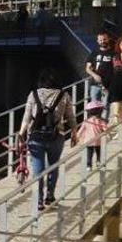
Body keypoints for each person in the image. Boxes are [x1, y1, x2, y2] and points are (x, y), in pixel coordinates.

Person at [17, 69, 76, 211]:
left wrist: (21, 135)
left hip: (35, 136)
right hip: (57, 136)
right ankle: (50, 196)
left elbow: (26, 117)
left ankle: (38, 202)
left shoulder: (33, 94)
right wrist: (74, 131)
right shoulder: (64, 95)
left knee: (38, 170)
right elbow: (70, 116)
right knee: (53, 166)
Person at [73, 100, 108, 169]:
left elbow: (81, 131)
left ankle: (89, 165)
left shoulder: (86, 121)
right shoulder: (101, 121)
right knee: (99, 152)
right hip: (98, 141)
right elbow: (106, 129)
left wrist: (77, 138)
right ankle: (99, 162)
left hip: (88, 141)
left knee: (89, 153)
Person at [84, 31, 115, 108]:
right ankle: (95, 120)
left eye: (104, 39)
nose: (103, 41)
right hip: (95, 85)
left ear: (108, 39)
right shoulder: (94, 53)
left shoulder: (114, 53)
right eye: (100, 40)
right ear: (98, 41)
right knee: (94, 107)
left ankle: (104, 120)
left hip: (108, 85)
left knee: (106, 107)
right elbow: (87, 68)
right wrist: (95, 75)